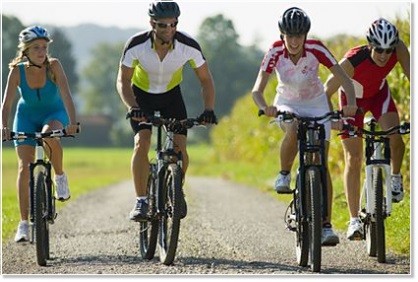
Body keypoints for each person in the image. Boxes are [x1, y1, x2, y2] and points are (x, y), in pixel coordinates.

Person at [251, 7, 357, 246]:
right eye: (289, 36)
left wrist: (350, 103)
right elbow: (257, 89)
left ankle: (326, 226)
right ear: (282, 36)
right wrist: (265, 106)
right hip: (287, 103)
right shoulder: (275, 51)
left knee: (321, 162)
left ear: (305, 36)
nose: (294, 41)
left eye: (299, 36)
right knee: (292, 126)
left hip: (317, 103)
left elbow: (344, 79)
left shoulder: (317, 49)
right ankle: (284, 173)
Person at [116, 1, 217, 222]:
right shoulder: (136, 44)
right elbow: (123, 80)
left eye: (173, 24)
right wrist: (133, 107)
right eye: (163, 25)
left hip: (171, 96)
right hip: (142, 97)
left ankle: (176, 190)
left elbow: (206, 80)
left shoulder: (188, 45)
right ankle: (141, 200)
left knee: (180, 146)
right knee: (142, 141)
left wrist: (208, 109)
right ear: (152, 23)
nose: (169, 30)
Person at [325, 18, 410, 240]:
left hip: (379, 96)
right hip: (352, 103)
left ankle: (395, 179)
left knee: (396, 138)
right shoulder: (352, 61)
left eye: (388, 50)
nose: (384, 55)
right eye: (379, 49)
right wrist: (330, 117)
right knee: (353, 158)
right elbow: (327, 90)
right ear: (370, 45)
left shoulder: (398, 49)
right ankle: (354, 220)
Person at [1, 26, 79, 242]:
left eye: (44, 47)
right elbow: (6, 103)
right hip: (25, 116)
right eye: (36, 47)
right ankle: (24, 224)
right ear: (25, 50)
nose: (41, 51)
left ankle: (60, 176)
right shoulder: (17, 70)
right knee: (24, 168)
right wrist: (3, 126)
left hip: (54, 114)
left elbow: (66, 95)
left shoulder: (54, 66)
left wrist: (73, 123)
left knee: (48, 135)